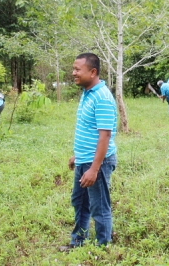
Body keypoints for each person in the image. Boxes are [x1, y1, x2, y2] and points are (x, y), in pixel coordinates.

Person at [60, 52, 117, 251]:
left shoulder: (102, 97)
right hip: (85, 159)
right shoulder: (88, 93)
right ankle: (78, 242)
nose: (73, 73)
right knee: (80, 202)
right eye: (73, 68)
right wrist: (78, 155)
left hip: (97, 163)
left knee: (99, 207)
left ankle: (103, 248)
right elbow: (89, 130)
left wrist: (94, 169)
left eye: (77, 69)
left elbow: (105, 136)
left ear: (93, 72)